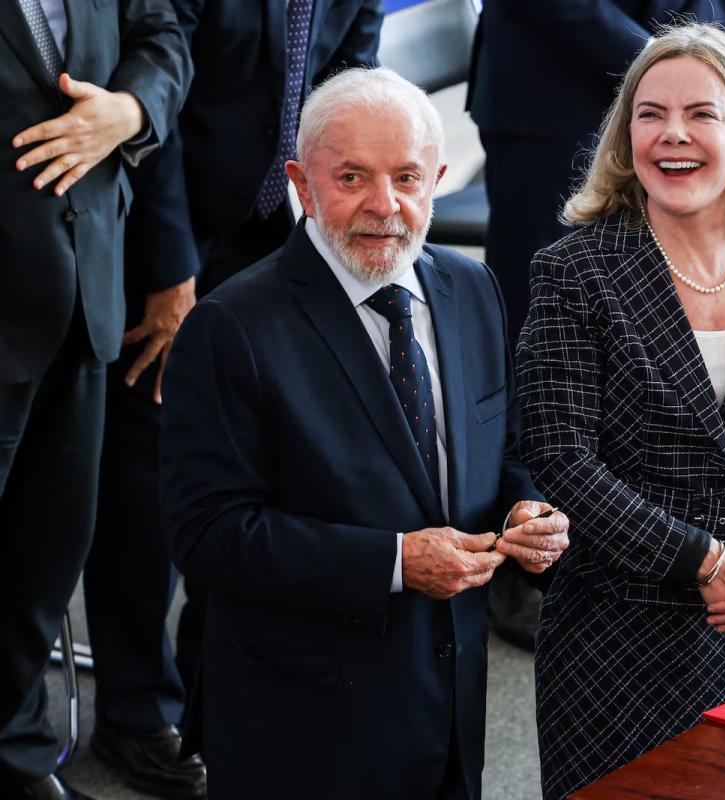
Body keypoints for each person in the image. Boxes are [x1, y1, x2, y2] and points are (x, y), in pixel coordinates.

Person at [159, 67, 569, 800]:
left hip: (449, 706)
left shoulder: (473, 288)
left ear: (437, 180)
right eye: (352, 177)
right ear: (302, 184)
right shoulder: (230, 327)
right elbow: (209, 535)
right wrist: (395, 562)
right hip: (302, 723)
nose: (384, 205)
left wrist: (522, 509)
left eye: (406, 177)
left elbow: (502, 448)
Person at [515, 23, 725, 799]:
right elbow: (561, 457)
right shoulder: (574, 272)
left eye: (701, 114)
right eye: (651, 114)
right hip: (613, 644)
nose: (672, 134)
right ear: (626, 138)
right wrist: (701, 561)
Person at [81, 3, 382, 794]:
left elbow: (348, 86)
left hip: (276, 232)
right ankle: (134, 710)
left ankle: (210, 693)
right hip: (168, 227)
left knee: (259, 471)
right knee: (149, 480)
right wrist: (167, 270)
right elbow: (158, 102)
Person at [467, 0, 725, 651]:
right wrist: (663, 67)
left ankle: (663, 534)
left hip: (680, 89)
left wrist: (682, 64)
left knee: (659, 318)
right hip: (553, 93)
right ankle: (523, 551)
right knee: (537, 338)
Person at [0, 1, 190, 797]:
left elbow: (161, 33)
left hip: (83, 287)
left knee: (46, 554)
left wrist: (131, 109)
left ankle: (13, 754)